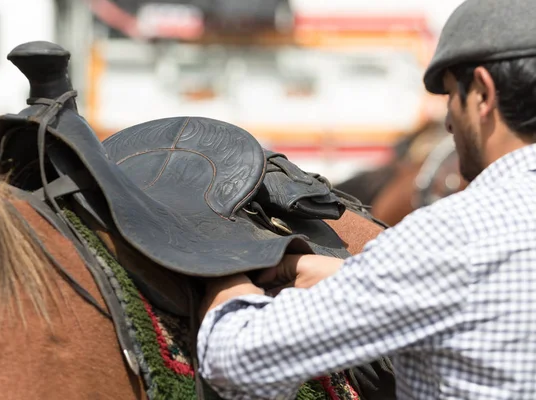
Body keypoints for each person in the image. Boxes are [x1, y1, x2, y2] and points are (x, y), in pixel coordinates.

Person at [196, 0, 536, 398]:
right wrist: (352, 282)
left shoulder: (456, 236)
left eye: (450, 97)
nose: (447, 122)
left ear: (481, 92)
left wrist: (224, 266)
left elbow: (236, 360)